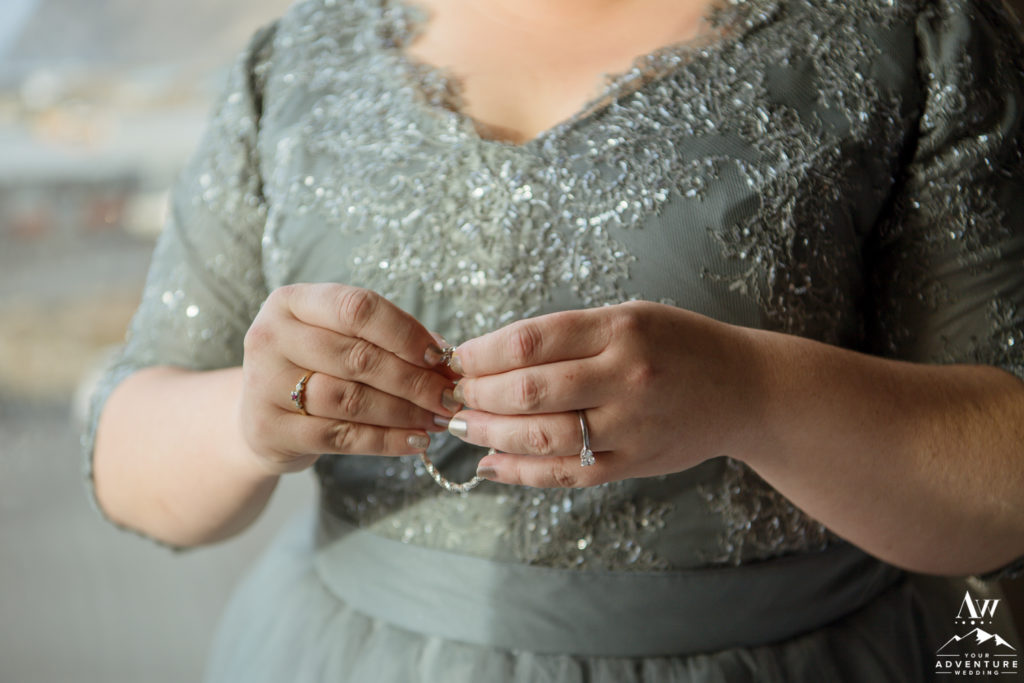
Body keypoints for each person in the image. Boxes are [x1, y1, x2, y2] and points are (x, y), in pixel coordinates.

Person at [84, 0, 1024, 680]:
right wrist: (249, 421)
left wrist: (754, 392)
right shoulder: (293, 61)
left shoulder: (912, 36)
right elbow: (130, 464)